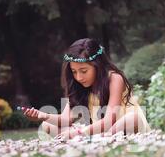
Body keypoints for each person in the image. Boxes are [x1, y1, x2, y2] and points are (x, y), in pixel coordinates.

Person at [22, 38, 151, 140]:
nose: (79, 77)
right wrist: (42, 115)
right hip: (99, 131)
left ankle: (92, 138)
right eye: (74, 71)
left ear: (97, 65)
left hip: (124, 127)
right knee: (47, 125)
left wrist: (79, 132)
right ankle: (96, 138)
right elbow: (66, 119)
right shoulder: (79, 86)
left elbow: (108, 121)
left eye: (84, 71)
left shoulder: (114, 78)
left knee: (132, 118)